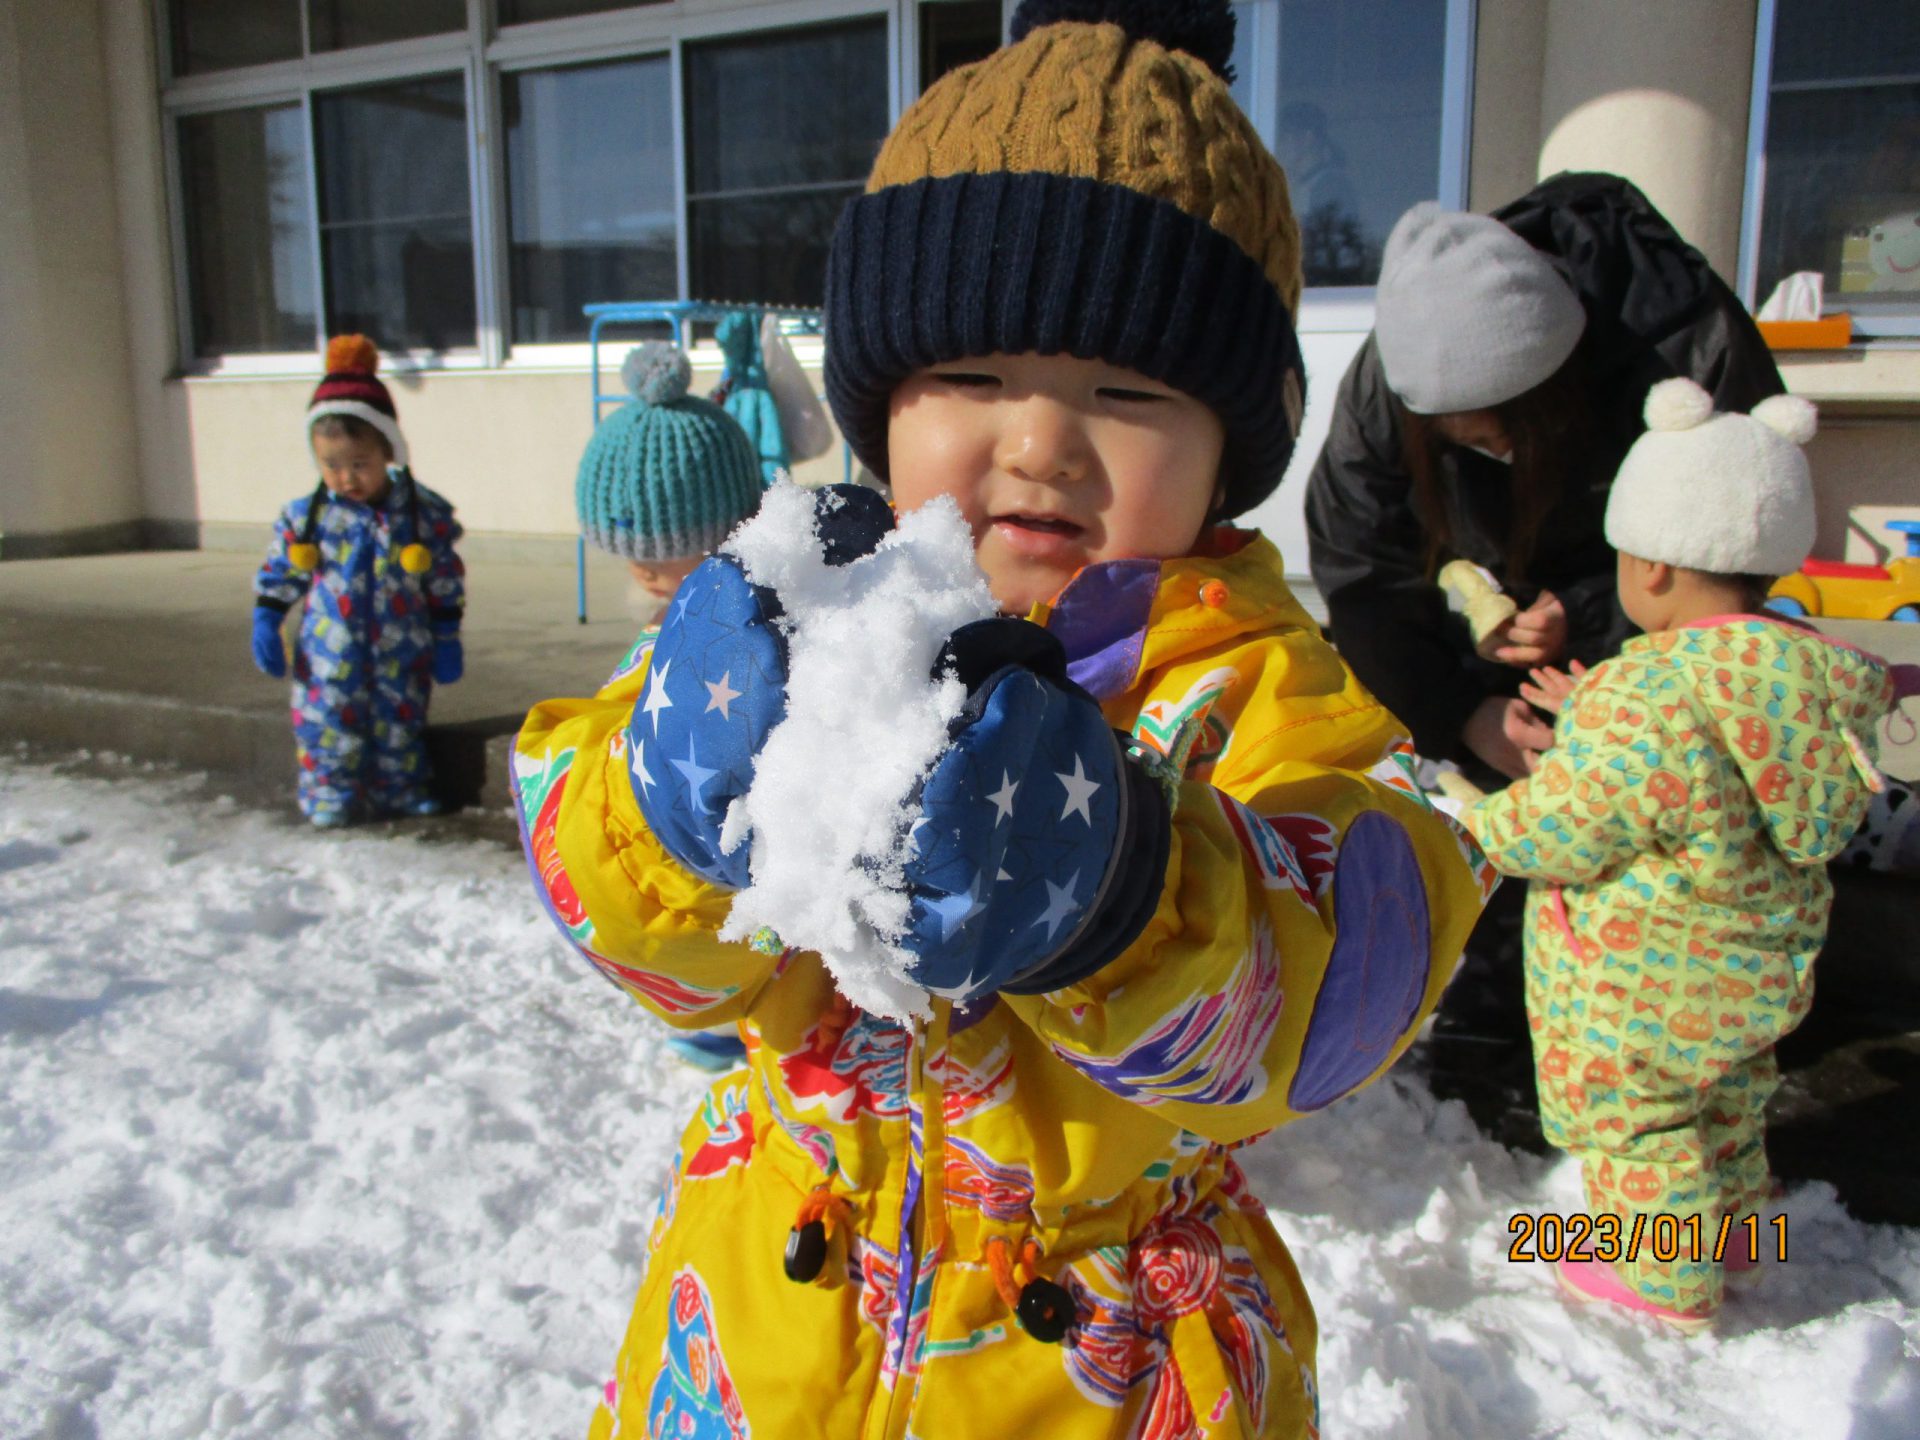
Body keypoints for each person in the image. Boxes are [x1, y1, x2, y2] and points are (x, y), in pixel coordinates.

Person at [513, 3, 1490, 1435]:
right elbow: (630, 928)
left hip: (1104, 1356)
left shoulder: (1243, 682)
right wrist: (659, 813)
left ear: (1231, 448)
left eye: (1125, 393)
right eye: (971, 378)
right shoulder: (806, 619)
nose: (1040, 444)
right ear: (880, 408)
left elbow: (1371, 953)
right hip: (769, 1318)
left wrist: (1129, 893)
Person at [1462, 380, 1907, 1330]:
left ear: (1653, 568)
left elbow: (1572, 824)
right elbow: (1708, 770)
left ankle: (1662, 1278)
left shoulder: (1650, 694)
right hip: (1752, 972)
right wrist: (1595, 712)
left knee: (1644, 1124)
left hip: (1644, 981)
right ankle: (1738, 1240)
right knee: (1728, 1108)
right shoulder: (1796, 676)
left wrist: (1479, 823)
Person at [1305, 175, 1785, 785]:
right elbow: (1362, 572)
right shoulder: (1392, 378)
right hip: (1500, 666)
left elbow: (1729, 558)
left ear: (1557, 392)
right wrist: (1460, 714)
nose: (1501, 454)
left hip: (1650, 650)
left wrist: (1586, 612)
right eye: (1473, 446)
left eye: (1510, 436)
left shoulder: (1680, 347)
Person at [574, 339, 768, 1072]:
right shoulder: (672, 616)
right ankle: (707, 1010)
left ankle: (740, 1017)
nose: (644, 569)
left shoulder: (747, 624)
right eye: (629, 551)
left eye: (665, 551)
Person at [251, 336, 464, 827]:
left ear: (387, 451)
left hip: (402, 650)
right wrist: (267, 616)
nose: (346, 478)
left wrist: (447, 635)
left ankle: (403, 788)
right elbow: (282, 569)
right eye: (331, 465)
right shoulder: (308, 517)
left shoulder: (420, 513)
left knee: (401, 722)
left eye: (359, 465)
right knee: (328, 727)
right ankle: (330, 794)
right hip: (330, 653)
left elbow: (443, 576)